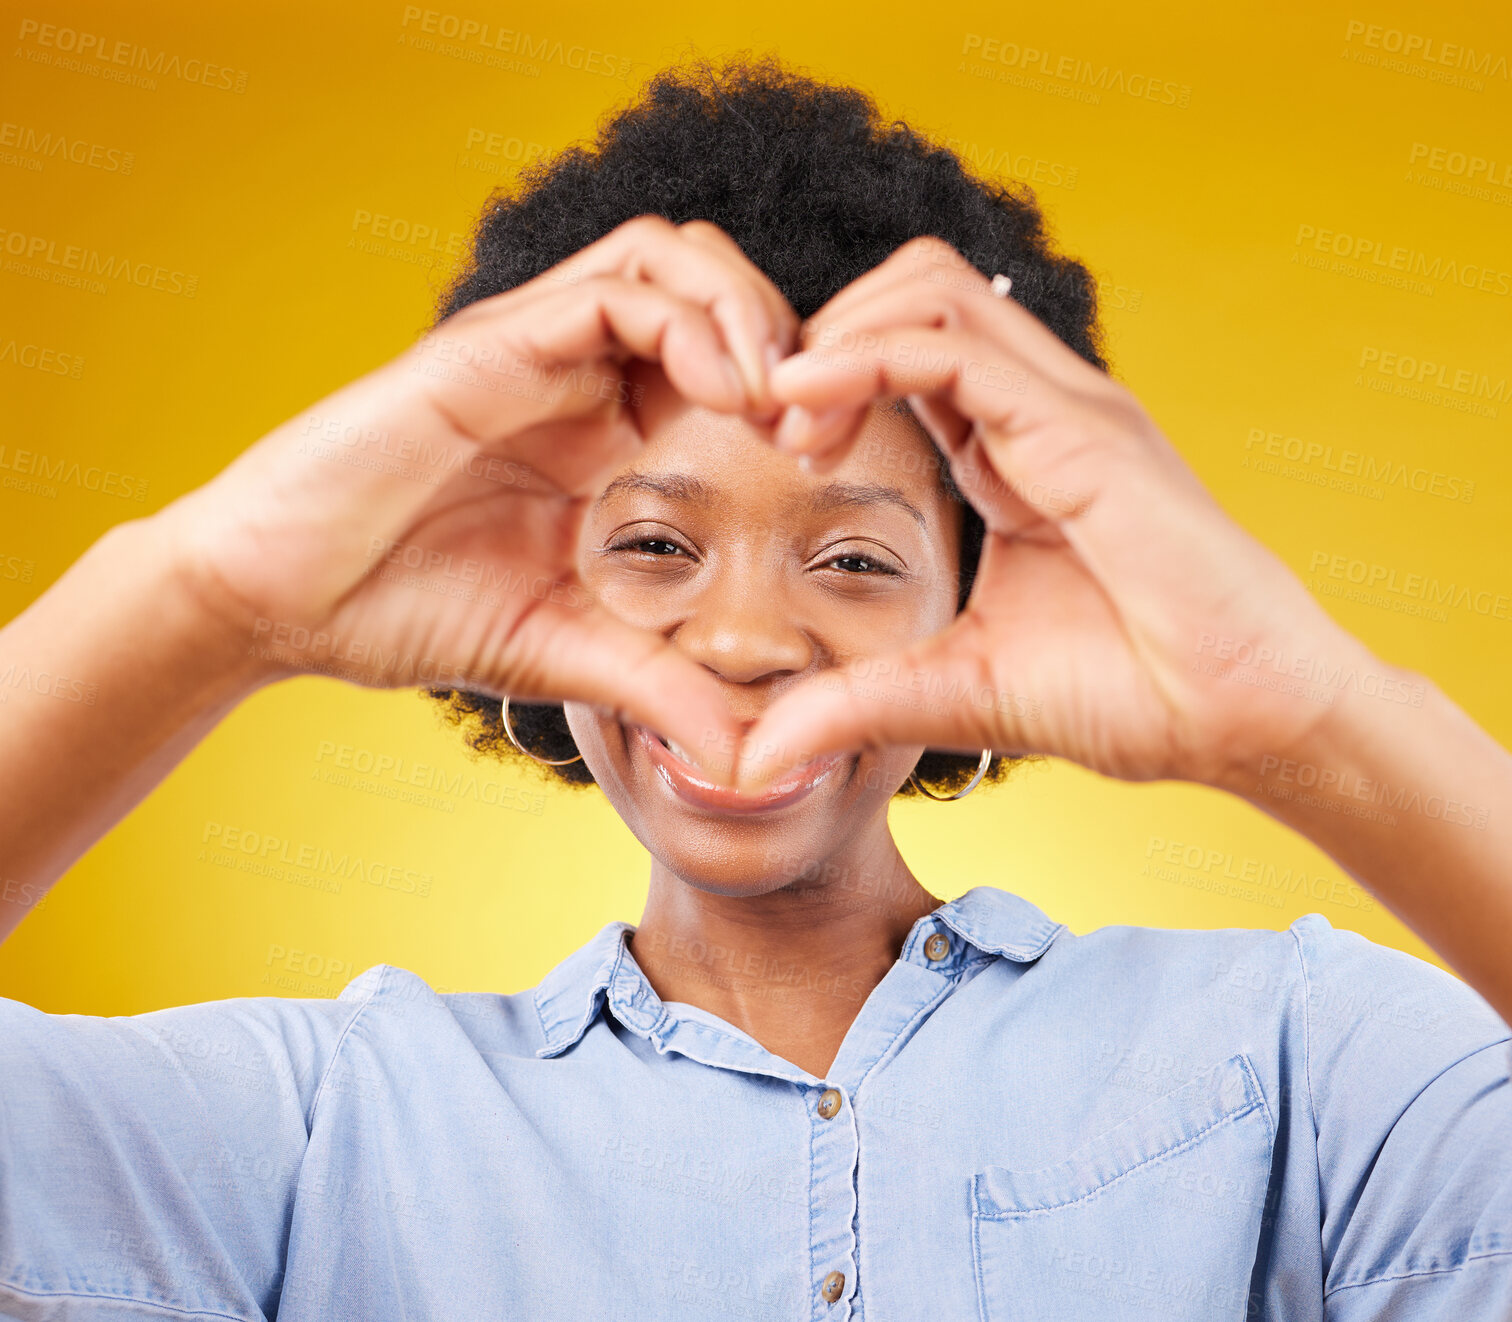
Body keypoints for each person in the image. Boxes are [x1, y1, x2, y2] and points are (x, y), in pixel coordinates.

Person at [2, 54, 1509, 1322]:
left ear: (978, 606)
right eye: (654, 541)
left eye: (851, 559)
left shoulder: (1295, 1058)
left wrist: (1296, 703)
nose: (742, 636)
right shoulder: (330, 1121)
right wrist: (213, 597)